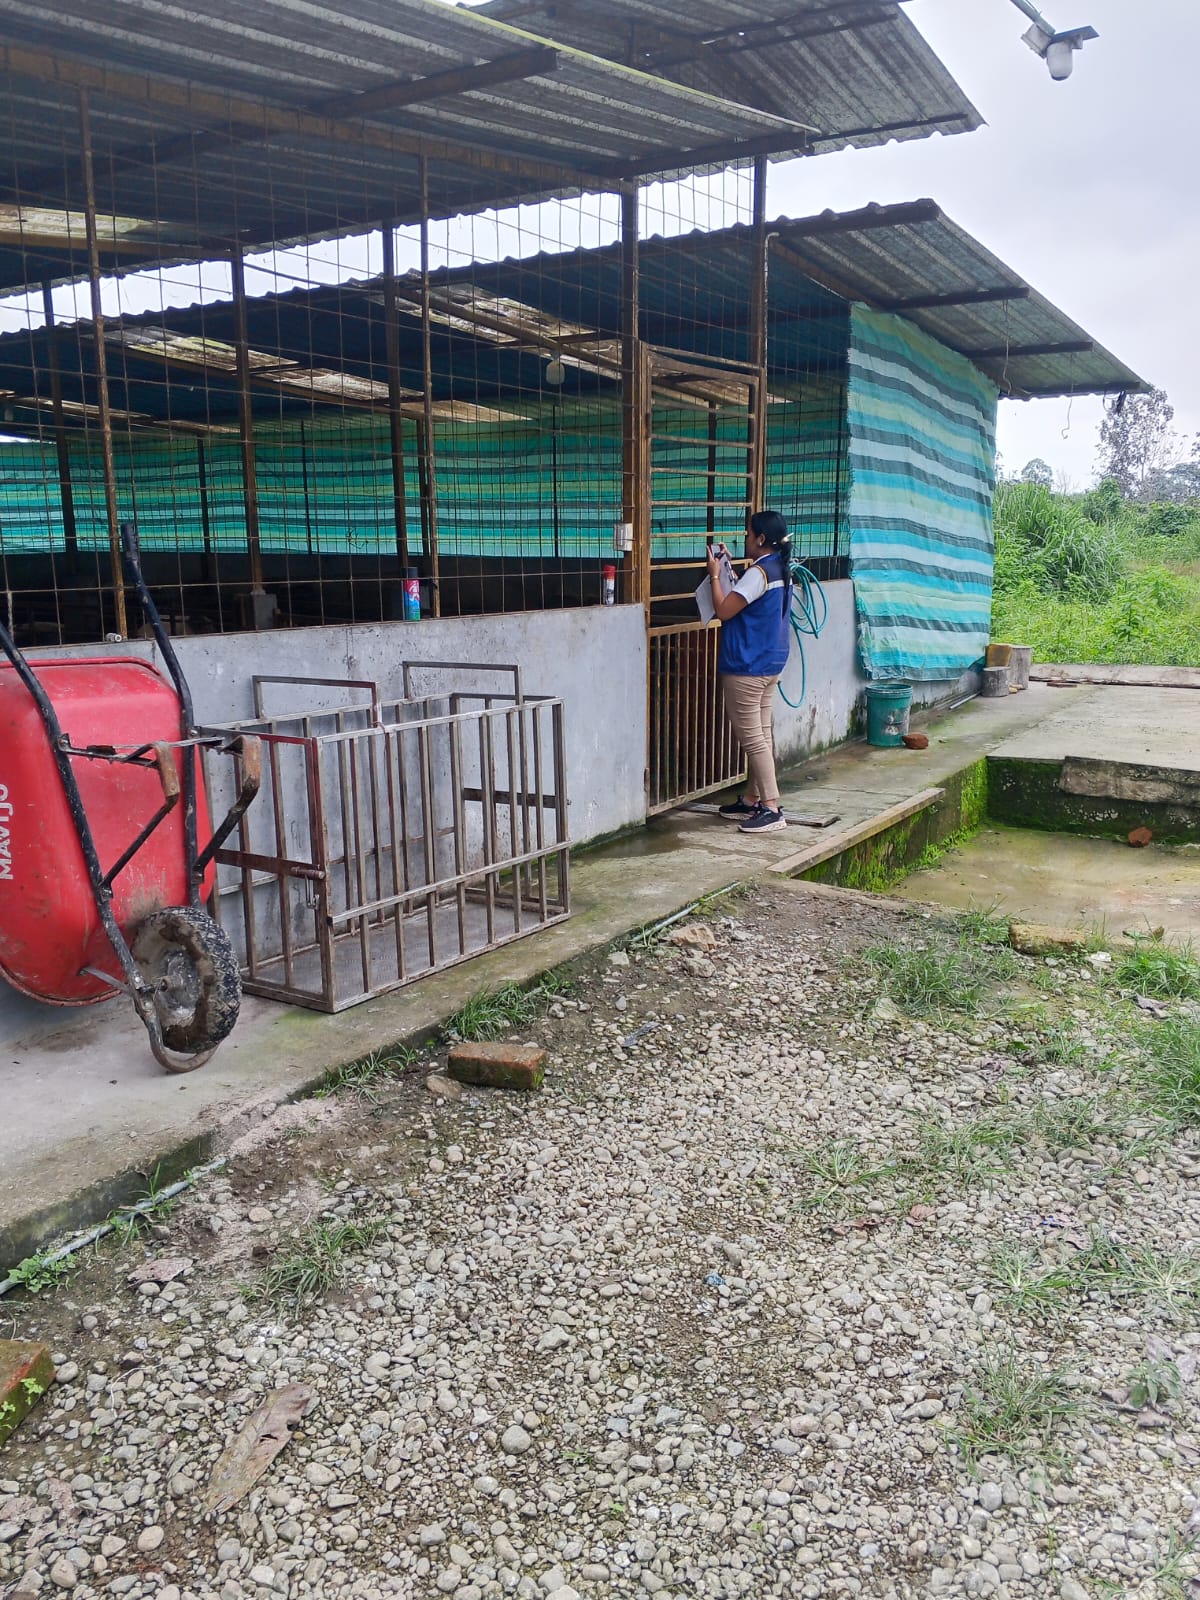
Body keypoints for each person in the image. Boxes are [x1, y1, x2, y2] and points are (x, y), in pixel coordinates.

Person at [705, 510, 793, 834]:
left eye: (748, 533)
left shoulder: (760, 573)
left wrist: (715, 575)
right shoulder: (778, 567)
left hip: (748, 665)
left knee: (753, 739)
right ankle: (753, 799)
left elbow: (724, 610)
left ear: (761, 538)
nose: (745, 538)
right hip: (770, 663)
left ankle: (771, 807)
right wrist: (729, 568)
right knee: (762, 733)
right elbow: (752, 599)